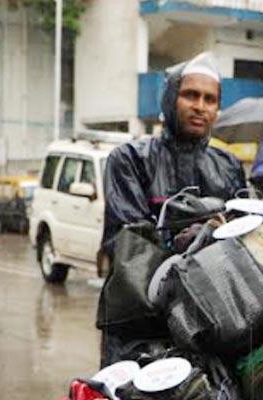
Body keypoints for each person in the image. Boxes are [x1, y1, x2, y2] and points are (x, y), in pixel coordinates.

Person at [102, 52, 246, 252]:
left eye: (210, 99)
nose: (200, 107)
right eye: (190, 95)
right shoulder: (131, 159)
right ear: (170, 99)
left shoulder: (228, 166)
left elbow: (242, 238)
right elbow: (129, 245)